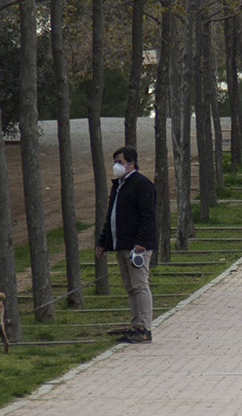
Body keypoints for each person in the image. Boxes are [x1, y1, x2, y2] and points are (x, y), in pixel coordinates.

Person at [96, 147, 157, 344]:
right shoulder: (118, 186)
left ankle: (145, 328)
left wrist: (141, 241)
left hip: (137, 247)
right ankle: (135, 324)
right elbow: (111, 216)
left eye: (120, 162)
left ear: (131, 163)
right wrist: (103, 242)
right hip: (121, 244)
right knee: (130, 287)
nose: (116, 166)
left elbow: (147, 216)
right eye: (115, 162)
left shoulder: (142, 185)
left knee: (140, 285)